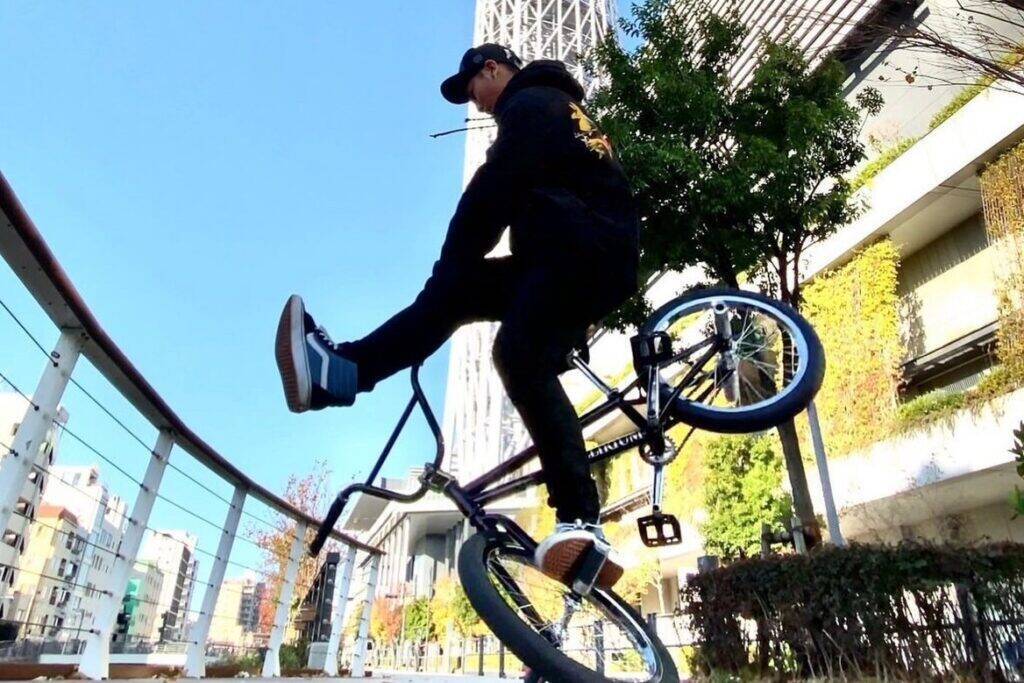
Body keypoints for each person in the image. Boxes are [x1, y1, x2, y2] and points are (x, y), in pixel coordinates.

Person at [275, 44, 639, 589]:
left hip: (582, 253)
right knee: (463, 296)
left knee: (518, 353)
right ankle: (339, 374)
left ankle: (582, 521)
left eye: (473, 90)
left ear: (493, 69)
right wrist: (450, 282)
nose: (475, 103)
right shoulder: (558, 109)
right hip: (575, 253)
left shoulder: (532, 104)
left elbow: (490, 195)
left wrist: (448, 267)